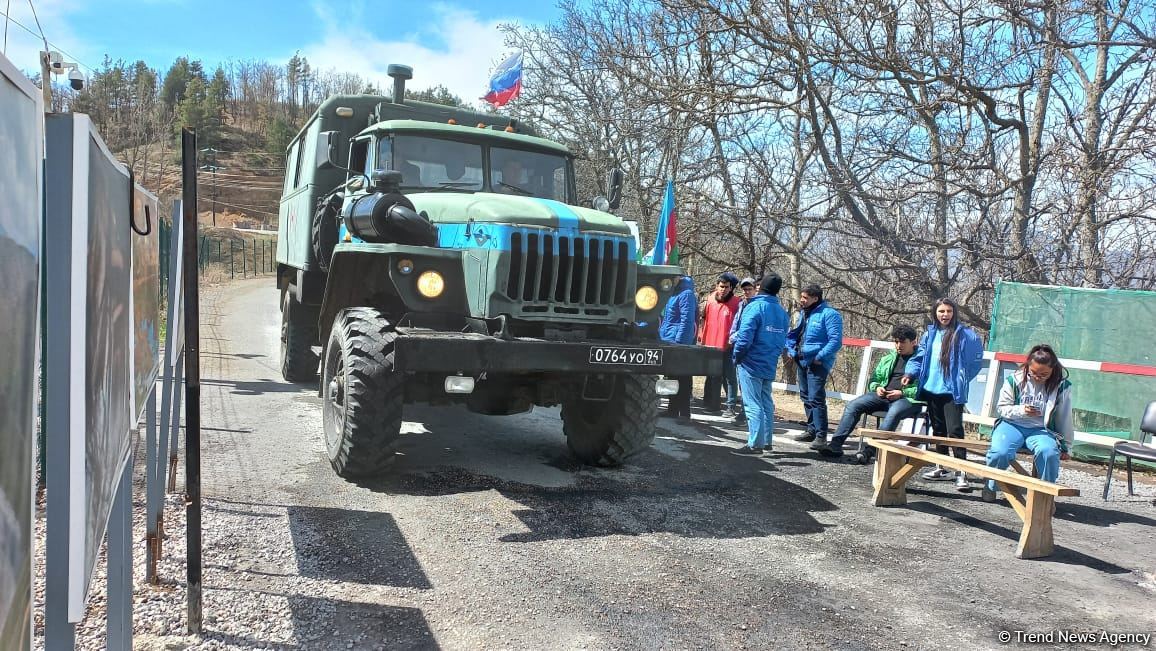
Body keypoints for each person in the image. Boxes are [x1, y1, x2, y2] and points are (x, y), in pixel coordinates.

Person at [901, 297, 985, 492]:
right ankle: (940, 466)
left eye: (948, 311)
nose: (945, 315)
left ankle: (961, 472)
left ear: (954, 312)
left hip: (952, 391)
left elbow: (975, 362)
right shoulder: (929, 334)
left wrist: (962, 378)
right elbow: (919, 357)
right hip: (931, 387)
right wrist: (910, 373)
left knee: (955, 430)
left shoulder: (966, 335)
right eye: (941, 311)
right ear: (935, 313)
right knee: (937, 429)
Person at [818, 325, 924, 459]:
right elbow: (873, 380)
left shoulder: (922, 361)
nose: (898, 345)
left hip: (908, 399)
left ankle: (869, 451)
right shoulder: (888, 358)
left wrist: (902, 393)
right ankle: (835, 445)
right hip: (883, 395)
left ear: (913, 342)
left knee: (894, 412)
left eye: (902, 342)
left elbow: (924, 388)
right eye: (896, 342)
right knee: (853, 405)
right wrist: (877, 387)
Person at [984, 344, 1073, 502]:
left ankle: (1045, 496)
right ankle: (991, 484)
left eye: (1044, 374)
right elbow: (1002, 408)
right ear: (1027, 366)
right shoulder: (1015, 380)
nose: (1038, 377)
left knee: (1049, 452)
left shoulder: (1062, 387)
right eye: (1034, 373)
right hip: (1011, 424)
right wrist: (1021, 410)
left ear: (1053, 369)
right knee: (1000, 452)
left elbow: (1064, 417)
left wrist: (1066, 446)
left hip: (1041, 430)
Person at [731, 273, 790, 455]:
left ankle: (755, 444)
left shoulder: (755, 307)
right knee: (765, 402)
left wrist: (737, 356)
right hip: (769, 361)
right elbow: (782, 340)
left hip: (750, 362)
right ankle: (767, 441)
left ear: (760, 286)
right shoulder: (781, 312)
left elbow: (744, 336)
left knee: (752, 403)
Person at [786, 284, 844, 448]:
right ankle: (811, 429)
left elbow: (835, 341)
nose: (801, 300)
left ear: (815, 298)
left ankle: (821, 436)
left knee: (816, 398)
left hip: (817, 362)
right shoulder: (805, 314)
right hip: (801, 359)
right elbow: (797, 334)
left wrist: (820, 356)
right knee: (805, 396)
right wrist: (792, 349)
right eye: (802, 297)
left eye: (805, 298)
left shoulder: (830, 314)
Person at [698, 272, 742, 415]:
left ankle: (730, 406)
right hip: (711, 345)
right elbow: (704, 320)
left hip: (728, 346)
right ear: (717, 286)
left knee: (730, 377)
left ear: (731, 288)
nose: (723, 289)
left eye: (726, 287)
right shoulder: (710, 300)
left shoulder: (737, 303)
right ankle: (713, 404)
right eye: (721, 286)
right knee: (713, 376)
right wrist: (701, 337)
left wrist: (734, 341)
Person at [659, 276, 697, 420]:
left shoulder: (686, 294)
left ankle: (684, 412)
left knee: (683, 377)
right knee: (670, 375)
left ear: (679, 278)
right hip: (669, 338)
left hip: (678, 341)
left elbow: (686, 320)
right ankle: (672, 408)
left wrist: (681, 342)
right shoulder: (673, 293)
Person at [728, 277, 758, 424]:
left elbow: (749, 328)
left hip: (749, 348)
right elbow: (736, 322)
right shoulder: (742, 303)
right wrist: (732, 335)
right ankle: (744, 412)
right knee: (741, 383)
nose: (747, 292)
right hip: (738, 345)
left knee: (749, 386)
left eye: (749, 289)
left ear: (756, 289)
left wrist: (735, 336)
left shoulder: (757, 306)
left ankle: (747, 415)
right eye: (745, 289)